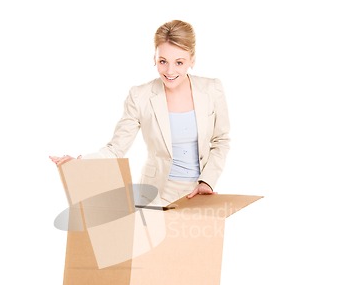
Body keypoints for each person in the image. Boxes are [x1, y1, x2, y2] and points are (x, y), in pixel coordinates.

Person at [50, 20, 230, 205]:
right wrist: (82, 162)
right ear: (154, 58)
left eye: (179, 62)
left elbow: (221, 140)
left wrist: (207, 181)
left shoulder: (212, 89)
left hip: (199, 192)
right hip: (155, 194)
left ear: (192, 59)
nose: (170, 71)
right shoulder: (140, 96)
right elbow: (116, 148)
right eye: (163, 61)